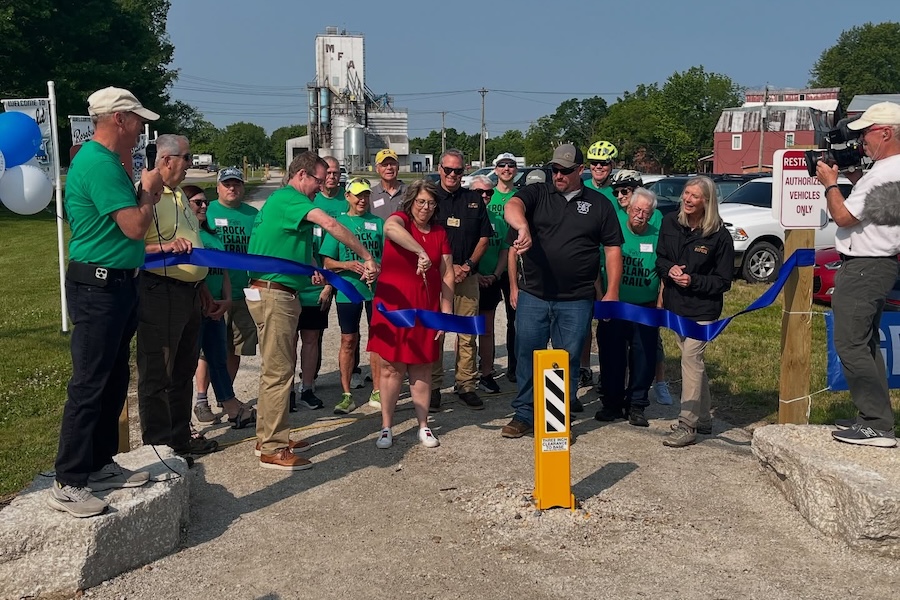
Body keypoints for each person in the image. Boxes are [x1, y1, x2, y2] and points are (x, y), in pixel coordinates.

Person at [50, 87, 163, 518]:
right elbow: (135, 226)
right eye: (136, 120)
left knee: (114, 379)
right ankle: (69, 478)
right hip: (98, 288)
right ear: (119, 118)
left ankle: (98, 464)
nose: (139, 129)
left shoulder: (107, 162)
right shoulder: (99, 163)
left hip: (114, 285)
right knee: (90, 383)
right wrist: (148, 192)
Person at [246, 151, 379, 470]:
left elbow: (285, 248)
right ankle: (274, 449)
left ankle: (268, 436)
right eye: (319, 180)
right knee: (279, 370)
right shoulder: (291, 199)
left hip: (275, 289)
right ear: (302, 175)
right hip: (273, 294)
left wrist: (310, 271)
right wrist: (366, 255)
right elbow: (331, 223)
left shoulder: (285, 203)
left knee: (275, 368)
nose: (321, 188)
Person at [501, 144, 624, 438]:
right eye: (554, 169)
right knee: (528, 353)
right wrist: (523, 228)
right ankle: (525, 414)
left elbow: (612, 249)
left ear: (580, 170)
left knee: (566, 359)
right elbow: (512, 206)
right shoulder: (538, 193)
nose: (558, 175)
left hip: (577, 298)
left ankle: (557, 419)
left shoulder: (599, 204)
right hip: (534, 293)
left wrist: (612, 292)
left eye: (565, 171)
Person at [815, 101, 900, 448]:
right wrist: (855, 181)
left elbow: (845, 218)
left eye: (866, 132)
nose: (862, 140)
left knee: (850, 343)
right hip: (881, 264)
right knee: (866, 344)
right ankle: (874, 417)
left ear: (886, 132)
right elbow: (877, 210)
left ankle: (877, 425)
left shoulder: (883, 173)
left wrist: (831, 184)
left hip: (864, 265)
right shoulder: (890, 170)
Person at [367, 180, 454, 449]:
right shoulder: (400, 220)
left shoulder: (439, 232)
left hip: (425, 309)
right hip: (394, 307)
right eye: (421, 202)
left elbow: (447, 272)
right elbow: (389, 228)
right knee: (391, 368)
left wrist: (446, 312)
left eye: (430, 203)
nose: (425, 208)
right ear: (411, 203)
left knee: (423, 367)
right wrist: (420, 251)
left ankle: (424, 425)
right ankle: (386, 427)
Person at [656, 176, 734, 448]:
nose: (688, 199)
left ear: (707, 202)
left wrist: (694, 281)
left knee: (691, 358)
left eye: (695, 196)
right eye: (686, 194)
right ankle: (704, 418)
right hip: (676, 304)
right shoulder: (669, 223)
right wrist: (670, 270)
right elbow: (661, 258)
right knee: (694, 364)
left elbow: (724, 281)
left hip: (703, 308)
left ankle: (687, 425)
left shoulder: (719, 236)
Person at [183, 184, 257, 429]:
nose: (205, 206)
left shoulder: (212, 235)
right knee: (195, 358)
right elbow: (193, 271)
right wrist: (205, 295)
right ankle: (194, 409)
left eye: (205, 202)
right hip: (197, 305)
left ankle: (230, 405)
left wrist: (225, 298)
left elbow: (222, 269)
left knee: (219, 356)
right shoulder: (186, 235)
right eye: (198, 202)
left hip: (220, 303)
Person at [595, 188, 662, 427]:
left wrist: (660, 304)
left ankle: (637, 405)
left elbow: (663, 271)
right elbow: (598, 266)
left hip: (645, 307)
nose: (640, 215)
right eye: (636, 210)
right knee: (611, 356)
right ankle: (611, 404)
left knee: (644, 357)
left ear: (651, 214)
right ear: (628, 208)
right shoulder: (615, 227)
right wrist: (602, 298)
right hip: (615, 305)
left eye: (646, 212)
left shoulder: (658, 234)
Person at [431, 149, 492, 411]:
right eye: (448, 170)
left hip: (466, 275)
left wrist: (467, 266)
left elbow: (484, 238)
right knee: (436, 332)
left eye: (458, 171)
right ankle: (433, 386)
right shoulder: (428, 198)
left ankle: (466, 384)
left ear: (464, 171)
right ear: (439, 168)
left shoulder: (474, 200)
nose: (453, 175)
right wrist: (446, 268)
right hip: (435, 276)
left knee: (467, 334)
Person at [608, 170, 674, 406]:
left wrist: (660, 300)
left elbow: (664, 260)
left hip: (646, 302)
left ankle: (651, 389)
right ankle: (615, 398)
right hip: (619, 302)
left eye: (624, 191)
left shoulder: (657, 218)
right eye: (616, 192)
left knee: (647, 350)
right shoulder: (616, 218)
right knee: (616, 353)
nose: (619, 196)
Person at [320, 178, 385, 414]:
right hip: (348, 291)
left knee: (376, 340)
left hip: (374, 291)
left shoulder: (378, 223)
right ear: (347, 197)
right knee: (349, 340)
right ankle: (347, 394)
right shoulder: (338, 224)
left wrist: (376, 269)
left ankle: (377, 389)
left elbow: (387, 259)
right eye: (358, 195)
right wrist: (348, 265)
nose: (362, 199)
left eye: (366, 195)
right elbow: (327, 262)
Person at [290, 156, 344, 411]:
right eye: (320, 179)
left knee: (311, 338)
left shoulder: (340, 202)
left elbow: (326, 253)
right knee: (289, 340)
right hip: (292, 284)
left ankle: (308, 388)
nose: (322, 184)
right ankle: (287, 389)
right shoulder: (298, 203)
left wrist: (327, 284)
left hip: (317, 285)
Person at [205, 167, 258, 387]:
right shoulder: (207, 212)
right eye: (227, 184)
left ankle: (226, 394)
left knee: (236, 348)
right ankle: (201, 399)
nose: (232, 188)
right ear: (218, 187)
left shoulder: (253, 215)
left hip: (243, 292)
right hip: (213, 293)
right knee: (206, 351)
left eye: (236, 184)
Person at [578, 140, 620, 387]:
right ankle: (584, 367)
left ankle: (608, 369)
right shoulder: (581, 188)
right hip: (586, 265)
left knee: (608, 322)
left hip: (610, 264)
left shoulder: (618, 192)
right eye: (594, 163)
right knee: (583, 320)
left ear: (612, 165)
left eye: (603, 163)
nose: (598, 167)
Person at [369, 149, 407, 221]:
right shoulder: (371, 195)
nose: (389, 167)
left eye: (392, 164)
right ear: (377, 169)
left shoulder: (410, 192)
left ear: (398, 167)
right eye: (384, 165)